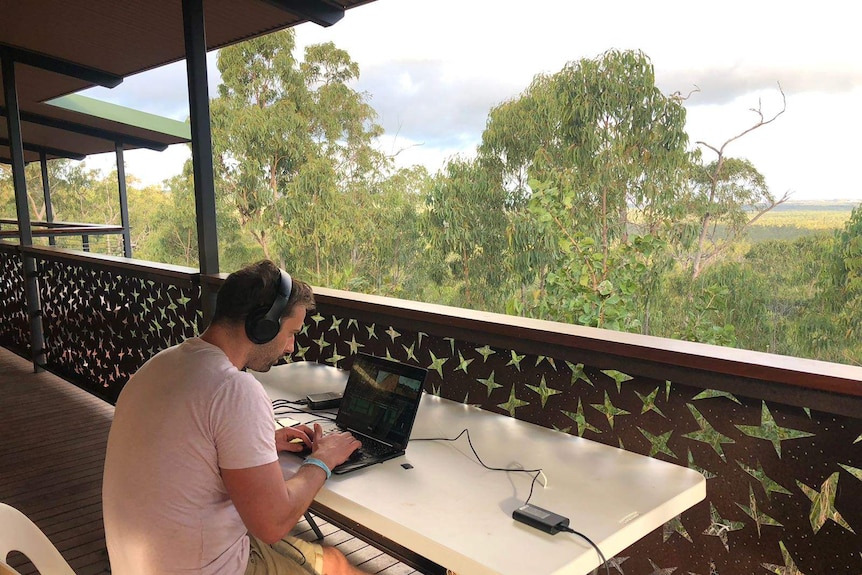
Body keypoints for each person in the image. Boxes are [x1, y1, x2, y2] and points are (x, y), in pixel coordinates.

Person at [103, 260, 366, 575]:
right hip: (203, 569)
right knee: (337, 567)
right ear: (263, 324)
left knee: (328, 559)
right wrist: (323, 460)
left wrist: (263, 443)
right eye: (291, 333)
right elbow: (273, 523)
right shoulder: (233, 389)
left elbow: (184, 450)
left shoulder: (159, 365)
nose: (290, 347)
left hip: (136, 565)